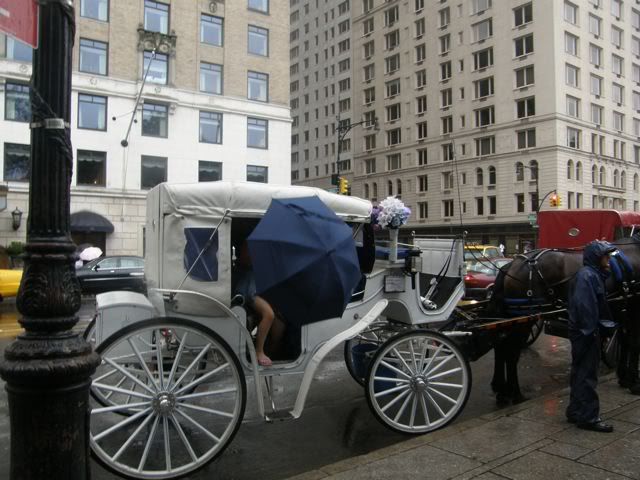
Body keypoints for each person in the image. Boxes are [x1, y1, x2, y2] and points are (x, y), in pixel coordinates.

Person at [566, 240, 616, 433]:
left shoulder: (590, 275)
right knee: (587, 375)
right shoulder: (588, 276)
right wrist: (592, 332)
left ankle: (576, 411)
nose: (609, 259)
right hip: (586, 332)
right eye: (606, 256)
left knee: (579, 372)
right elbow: (585, 307)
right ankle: (588, 417)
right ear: (597, 257)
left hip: (583, 332)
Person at [233, 241, 276, 367]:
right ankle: (259, 351)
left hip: (253, 293)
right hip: (248, 295)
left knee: (278, 323)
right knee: (269, 315)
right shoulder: (241, 270)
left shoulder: (253, 268)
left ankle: (271, 351)